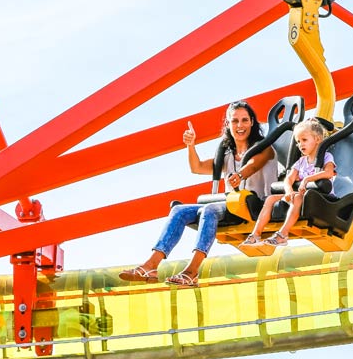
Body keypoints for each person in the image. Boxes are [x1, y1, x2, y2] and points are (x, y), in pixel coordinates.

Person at [119, 100, 278, 287]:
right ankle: (151, 265)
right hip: (232, 206)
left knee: (209, 209)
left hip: (256, 208)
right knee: (179, 211)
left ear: (252, 122)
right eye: (235, 121)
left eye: (244, 120)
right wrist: (191, 145)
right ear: (228, 124)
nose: (240, 125)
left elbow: (254, 164)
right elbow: (197, 167)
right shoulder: (227, 155)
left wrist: (240, 174)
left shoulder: (265, 148)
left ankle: (192, 271)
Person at [241, 118, 335, 248]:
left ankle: (283, 235)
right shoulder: (301, 162)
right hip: (300, 194)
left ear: (317, 139)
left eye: (304, 140)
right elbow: (288, 179)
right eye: (298, 141)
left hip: (320, 198)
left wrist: (307, 179)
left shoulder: (326, 156)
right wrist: (288, 190)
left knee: (296, 197)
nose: (300, 144)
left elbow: (329, 173)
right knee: (270, 199)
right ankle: (255, 234)